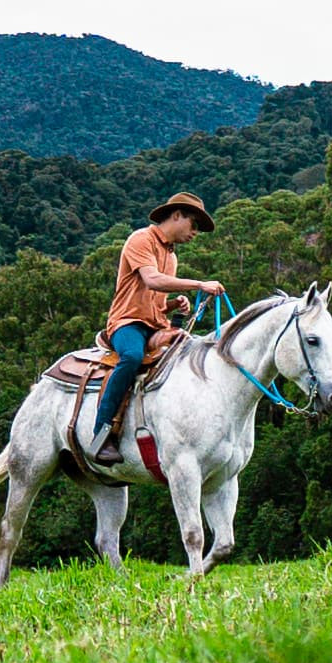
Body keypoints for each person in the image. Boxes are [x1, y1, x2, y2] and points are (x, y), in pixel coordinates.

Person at [92, 192, 223, 462]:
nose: (196, 232)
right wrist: (199, 284)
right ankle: (101, 433)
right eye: (194, 224)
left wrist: (174, 304)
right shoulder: (140, 239)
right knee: (131, 357)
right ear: (177, 215)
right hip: (126, 323)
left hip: (154, 326)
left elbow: (156, 302)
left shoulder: (171, 257)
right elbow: (151, 280)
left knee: (192, 356)